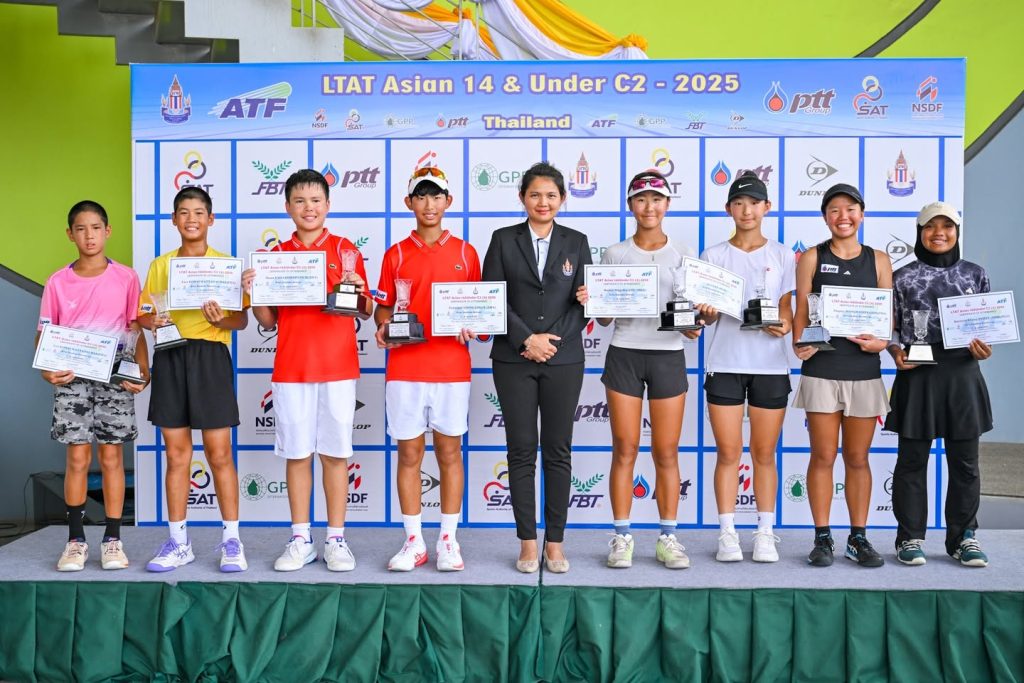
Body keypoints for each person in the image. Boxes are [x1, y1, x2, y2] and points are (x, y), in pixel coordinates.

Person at [243, 169, 372, 572]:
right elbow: (268, 321)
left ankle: (336, 539)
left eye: (316, 200)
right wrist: (254, 292)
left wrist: (356, 288)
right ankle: (301, 538)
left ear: (328, 205)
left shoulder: (346, 251)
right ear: (288, 207)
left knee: (335, 454)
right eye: (299, 201)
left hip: (338, 368)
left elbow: (366, 311)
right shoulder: (275, 256)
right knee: (297, 455)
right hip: (292, 368)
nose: (308, 208)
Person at [575, 169, 697, 570]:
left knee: (666, 450)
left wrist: (697, 323)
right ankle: (622, 536)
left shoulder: (684, 253)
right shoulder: (615, 253)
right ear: (630, 205)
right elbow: (605, 319)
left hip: (668, 355)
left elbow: (692, 321)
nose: (649, 207)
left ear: (667, 204)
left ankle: (668, 537)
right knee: (625, 447)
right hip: (625, 353)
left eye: (656, 199)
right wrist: (595, 301)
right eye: (641, 199)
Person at [482, 162, 592, 573]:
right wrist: (527, 339)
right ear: (522, 198)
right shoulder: (502, 239)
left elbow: (585, 302)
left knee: (559, 451)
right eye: (535, 195)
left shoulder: (577, 241)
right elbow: (492, 297)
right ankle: (528, 542)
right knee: (521, 450)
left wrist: (549, 342)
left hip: (564, 359)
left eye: (551, 195)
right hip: (514, 359)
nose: (543, 202)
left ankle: (555, 543)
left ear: (563, 199)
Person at [374, 165, 480, 572]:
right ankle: (414, 541)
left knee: (450, 453)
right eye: (421, 196)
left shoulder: (467, 253)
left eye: (436, 196)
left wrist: (475, 325)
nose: (429, 204)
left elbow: (480, 311)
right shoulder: (395, 254)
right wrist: (384, 327)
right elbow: (383, 309)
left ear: (448, 202)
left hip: (451, 368)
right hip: (405, 368)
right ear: (409, 202)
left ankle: (448, 540)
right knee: (409, 454)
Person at [139, 185, 249, 573]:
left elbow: (241, 320)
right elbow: (143, 314)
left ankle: (232, 540)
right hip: (170, 355)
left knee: (219, 454)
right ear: (173, 220)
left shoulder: (226, 265)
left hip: (210, 357)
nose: (191, 219)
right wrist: (152, 320)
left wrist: (223, 319)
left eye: (199, 213)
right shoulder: (160, 265)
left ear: (211, 219)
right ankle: (179, 542)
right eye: (184, 213)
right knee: (176, 455)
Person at [39, 201, 148, 571]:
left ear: (107, 231)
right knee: (77, 458)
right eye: (81, 229)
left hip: (115, 376)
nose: (89, 236)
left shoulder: (127, 278)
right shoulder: (57, 282)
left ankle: (113, 540)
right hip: (73, 379)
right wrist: (46, 371)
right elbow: (44, 335)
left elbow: (136, 329)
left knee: (113, 457)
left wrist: (143, 371)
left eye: (96, 228)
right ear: (70, 234)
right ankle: (75, 541)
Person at [885, 201, 992, 567]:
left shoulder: (975, 274)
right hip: (917, 375)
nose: (939, 233)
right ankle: (909, 537)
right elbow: (891, 330)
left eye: (947, 226)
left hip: (962, 374)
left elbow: (986, 328)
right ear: (920, 233)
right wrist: (895, 352)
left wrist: (985, 347)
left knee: (966, 463)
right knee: (911, 461)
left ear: (957, 232)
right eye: (930, 226)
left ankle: (964, 538)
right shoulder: (901, 277)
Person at [791, 183, 892, 568]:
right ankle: (822, 538)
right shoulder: (812, 257)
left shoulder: (879, 259)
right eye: (834, 210)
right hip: (822, 369)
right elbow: (802, 310)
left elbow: (886, 317)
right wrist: (800, 343)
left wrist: (881, 341)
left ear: (861, 215)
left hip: (864, 372)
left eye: (850, 209)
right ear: (825, 217)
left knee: (857, 457)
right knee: (822, 455)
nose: (843, 216)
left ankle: (858, 538)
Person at [700, 171, 795, 563]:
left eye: (754, 203)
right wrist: (706, 313)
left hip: (770, 366)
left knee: (764, 453)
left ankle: (765, 533)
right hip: (725, 363)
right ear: (729, 209)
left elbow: (787, 313)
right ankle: (727, 534)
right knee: (727, 453)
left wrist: (783, 325)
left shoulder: (784, 255)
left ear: (767, 207)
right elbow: (704, 317)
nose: (747, 210)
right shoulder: (713, 256)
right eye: (739, 203)